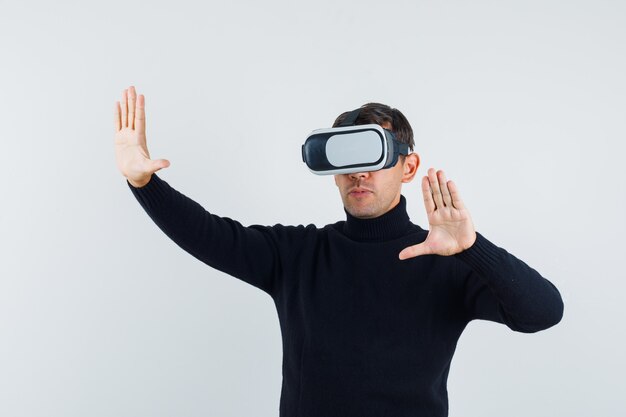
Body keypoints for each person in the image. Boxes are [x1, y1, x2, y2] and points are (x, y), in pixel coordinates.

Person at [114, 85, 564, 417]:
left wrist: (472, 248)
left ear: (408, 166)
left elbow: (543, 312)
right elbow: (209, 235)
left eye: (373, 157)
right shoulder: (297, 254)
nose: (359, 175)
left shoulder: (444, 261)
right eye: (345, 161)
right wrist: (143, 182)